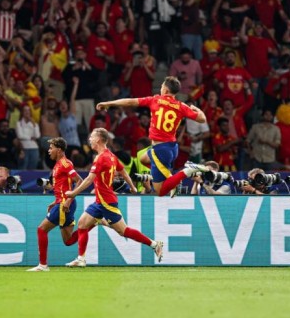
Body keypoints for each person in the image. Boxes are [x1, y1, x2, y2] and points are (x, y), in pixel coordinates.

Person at [63, 128, 164, 267]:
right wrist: (133, 187)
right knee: (82, 224)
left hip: (107, 202)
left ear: (98, 139)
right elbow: (123, 172)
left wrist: (74, 193)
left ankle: (154, 244)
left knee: (124, 231)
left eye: (92, 137)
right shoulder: (111, 156)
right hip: (100, 202)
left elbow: (89, 179)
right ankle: (81, 259)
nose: (90, 139)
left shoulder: (101, 158)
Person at [95, 76, 207, 197]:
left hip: (160, 150)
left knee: (160, 191)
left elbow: (130, 101)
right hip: (171, 147)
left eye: (162, 86)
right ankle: (171, 180)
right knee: (143, 158)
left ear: (166, 90)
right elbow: (202, 119)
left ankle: (187, 171)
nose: (160, 88)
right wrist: (195, 108)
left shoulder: (155, 100)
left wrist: (109, 103)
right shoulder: (181, 106)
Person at [28, 138, 82, 272]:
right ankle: (92, 223)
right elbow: (63, 187)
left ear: (58, 150)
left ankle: (42, 265)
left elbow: (79, 181)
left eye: (51, 148)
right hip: (62, 203)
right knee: (68, 241)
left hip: (65, 204)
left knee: (41, 229)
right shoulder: (58, 164)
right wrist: (55, 202)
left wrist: (68, 200)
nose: (49, 151)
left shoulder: (65, 163)